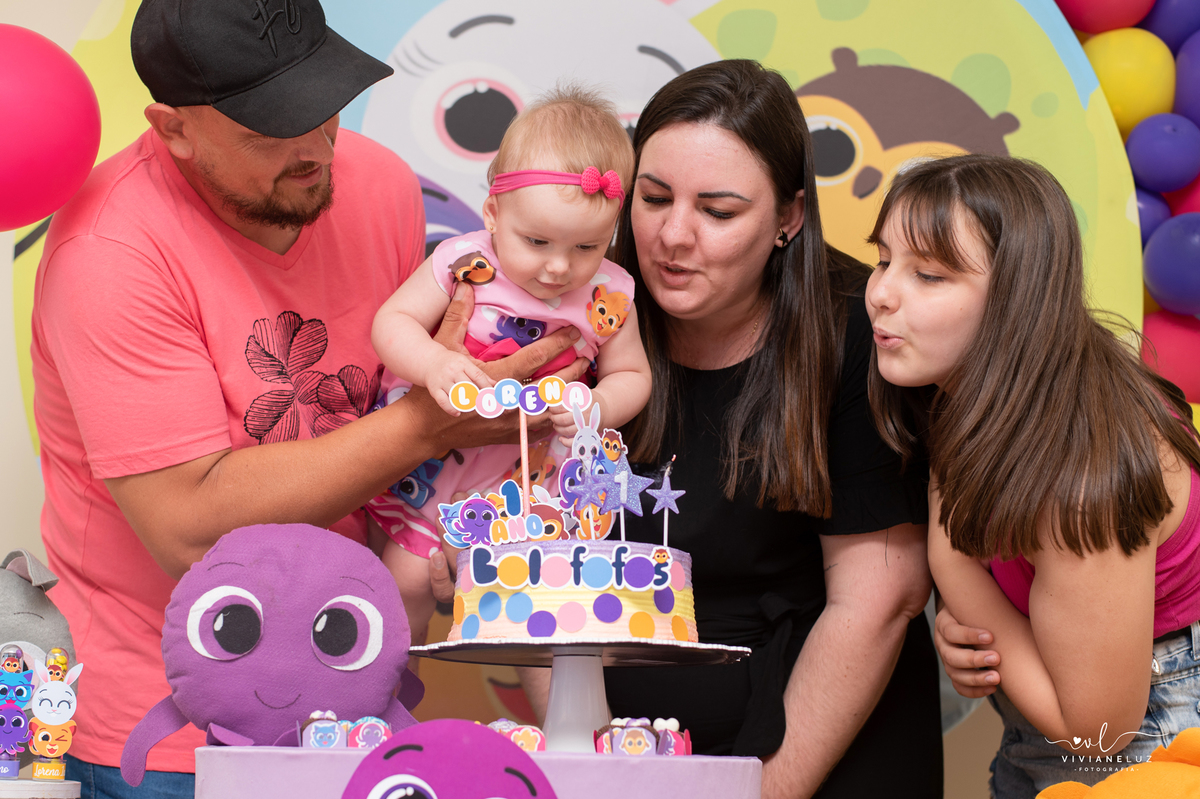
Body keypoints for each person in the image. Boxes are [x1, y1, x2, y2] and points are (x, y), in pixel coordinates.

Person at [30, 0, 582, 795]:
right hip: (173, 732)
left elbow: (395, 400)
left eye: (321, 105)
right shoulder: (110, 252)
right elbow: (188, 531)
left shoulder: (378, 185)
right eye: (268, 127)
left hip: (354, 704)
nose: (314, 147)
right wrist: (429, 423)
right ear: (173, 126)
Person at [594, 59, 942, 798]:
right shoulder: (585, 318)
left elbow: (881, 595)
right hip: (621, 745)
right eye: (653, 198)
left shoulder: (859, 336)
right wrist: (586, 762)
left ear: (789, 218)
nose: (672, 235)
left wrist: (764, 790)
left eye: (718, 211)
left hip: (824, 732)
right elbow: (537, 592)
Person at [864, 153, 1200, 796]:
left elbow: (1095, 731)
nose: (880, 292)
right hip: (1051, 724)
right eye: (885, 260)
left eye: (928, 275)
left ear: (1015, 300)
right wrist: (991, 644)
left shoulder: (1079, 469)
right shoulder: (981, 392)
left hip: (1146, 748)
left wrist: (960, 577)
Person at [368, 87, 651, 634]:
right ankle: (390, 702)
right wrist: (432, 363)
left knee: (529, 598)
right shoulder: (463, 262)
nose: (558, 267)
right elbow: (391, 323)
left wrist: (596, 405)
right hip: (438, 458)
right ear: (494, 213)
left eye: (587, 247)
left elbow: (634, 375)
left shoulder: (610, 294)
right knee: (406, 580)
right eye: (538, 241)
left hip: (525, 477)